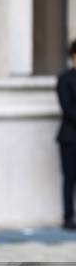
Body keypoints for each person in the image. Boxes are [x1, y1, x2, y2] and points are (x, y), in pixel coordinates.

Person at [56, 39, 76, 230]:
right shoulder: (65, 79)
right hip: (70, 138)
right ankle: (68, 217)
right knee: (69, 177)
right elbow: (67, 108)